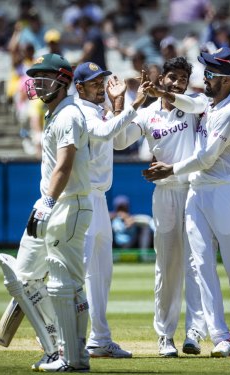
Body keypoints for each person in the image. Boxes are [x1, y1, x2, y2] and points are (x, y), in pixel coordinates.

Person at [142, 47, 230, 358]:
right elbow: (190, 101)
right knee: (201, 266)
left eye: (209, 74)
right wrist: (159, 93)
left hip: (225, 192)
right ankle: (221, 336)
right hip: (196, 193)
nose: (203, 79)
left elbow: (208, 158)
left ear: (225, 80)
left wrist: (171, 169)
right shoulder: (207, 102)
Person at [0, 53, 93, 373]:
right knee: (22, 277)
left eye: (44, 77)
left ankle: (73, 356)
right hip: (53, 204)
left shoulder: (68, 115)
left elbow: (64, 166)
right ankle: (55, 349)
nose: (36, 83)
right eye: (34, 77)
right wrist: (46, 202)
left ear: (63, 81)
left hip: (68, 203)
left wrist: (48, 201)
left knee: (65, 285)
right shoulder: (55, 114)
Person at [115, 56, 208, 357]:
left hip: (194, 190)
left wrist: (164, 93)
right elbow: (118, 142)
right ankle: (165, 336)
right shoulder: (148, 113)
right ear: (162, 77)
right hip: (165, 194)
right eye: (173, 76)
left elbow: (196, 106)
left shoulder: (192, 104)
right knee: (166, 267)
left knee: (196, 263)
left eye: (183, 77)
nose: (178, 81)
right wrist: (128, 103)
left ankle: (194, 332)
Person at [73, 61, 147, 359]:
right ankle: (63, 336)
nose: (100, 86)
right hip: (82, 198)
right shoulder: (78, 112)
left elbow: (116, 140)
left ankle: (99, 339)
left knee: (102, 272)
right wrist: (133, 106)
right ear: (79, 88)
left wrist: (119, 104)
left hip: (99, 199)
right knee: (84, 271)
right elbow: (104, 134)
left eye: (102, 80)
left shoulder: (98, 111)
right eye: (94, 83)